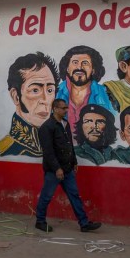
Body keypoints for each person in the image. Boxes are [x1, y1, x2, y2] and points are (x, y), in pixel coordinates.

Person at [34, 98, 101, 233]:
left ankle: (84, 223)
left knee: (74, 195)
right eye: (63, 108)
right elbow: (48, 151)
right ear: (55, 109)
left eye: (66, 108)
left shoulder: (65, 124)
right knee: (46, 196)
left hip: (68, 168)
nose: (66, 110)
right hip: (54, 171)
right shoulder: (46, 127)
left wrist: (74, 161)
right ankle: (40, 221)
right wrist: (57, 168)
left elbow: (69, 145)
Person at [0, 52, 60, 157]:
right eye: (35, 90)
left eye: (50, 90)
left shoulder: (57, 136)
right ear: (16, 96)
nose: (45, 100)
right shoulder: (8, 151)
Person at [56, 46, 113, 144]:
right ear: (67, 68)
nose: (79, 67)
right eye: (75, 63)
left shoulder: (106, 94)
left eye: (85, 63)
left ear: (93, 69)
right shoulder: (54, 92)